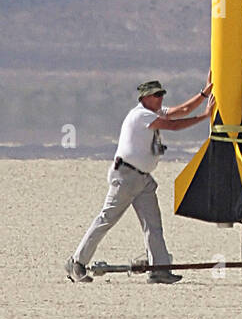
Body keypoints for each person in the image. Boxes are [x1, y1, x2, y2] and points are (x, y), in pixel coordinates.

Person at [66, 77, 216, 285]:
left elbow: (180, 112)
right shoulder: (141, 115)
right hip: (127, 177)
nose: (161, 98)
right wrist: (205, 116)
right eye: (156, 95)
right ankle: (77, 262)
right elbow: (172, 126)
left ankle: (159, 269)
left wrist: (203, 95)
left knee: (153, 224)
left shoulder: (153, 112)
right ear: (145, 98)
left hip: (143, 179)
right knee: (107, 219)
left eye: (162, 94)